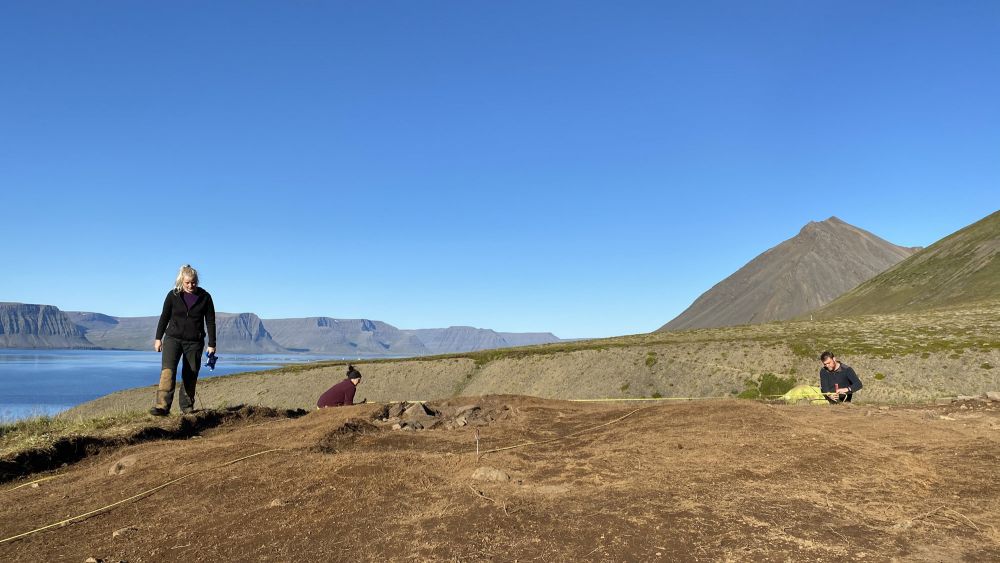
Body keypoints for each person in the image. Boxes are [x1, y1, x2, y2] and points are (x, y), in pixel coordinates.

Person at [149, 265, 216, 416]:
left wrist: (212, 344)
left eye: (193, 282)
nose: (190, 285)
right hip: (172, 339)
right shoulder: (173, 295)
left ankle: (187, 408)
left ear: (196, 281)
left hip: (194, 342)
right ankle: (162, 407)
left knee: (191, 374)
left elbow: (210, 321)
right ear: (181, 281)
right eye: (187, 283)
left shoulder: (205, 297)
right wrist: (158, 338)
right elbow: (164, 317)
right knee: (168, 372)